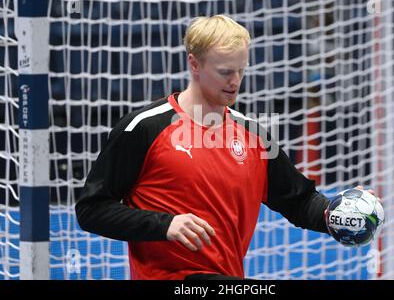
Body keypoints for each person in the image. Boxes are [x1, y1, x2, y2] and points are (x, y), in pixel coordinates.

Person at [76, 14, 338, 280]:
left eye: (241, 70)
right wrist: (165, 225)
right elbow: (91, 210)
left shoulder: (254, 136)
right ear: (195, 64)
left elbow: (300, 200)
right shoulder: (144, 127)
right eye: (225, 71)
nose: (235, 81)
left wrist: (339, 215)